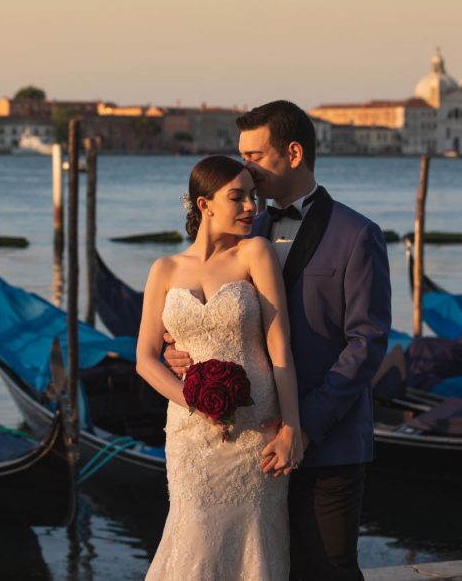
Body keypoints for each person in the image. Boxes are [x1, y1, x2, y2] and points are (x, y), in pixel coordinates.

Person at [164, 100, 392, 581]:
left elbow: (367, 343)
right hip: (250, 443)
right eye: (240, 155)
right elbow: (210, 309)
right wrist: (177, 346)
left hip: (329, 443)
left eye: (255, 156)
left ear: (292, 153)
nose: (245, 168)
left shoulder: (357, 235)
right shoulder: (246, 228)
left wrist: (302, 426)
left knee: (328, 569)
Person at [136, 154, 303, 580]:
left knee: (254, 546)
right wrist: (192, 400)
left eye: (253, 196)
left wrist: (291, 428)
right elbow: (145, 359)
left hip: (256, 429)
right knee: (194, 539)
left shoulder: (256, 253)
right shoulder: (165, 269)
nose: (252, 207)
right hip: (190, 435)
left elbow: (278, 345)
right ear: (204, 204)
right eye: (238, 197)